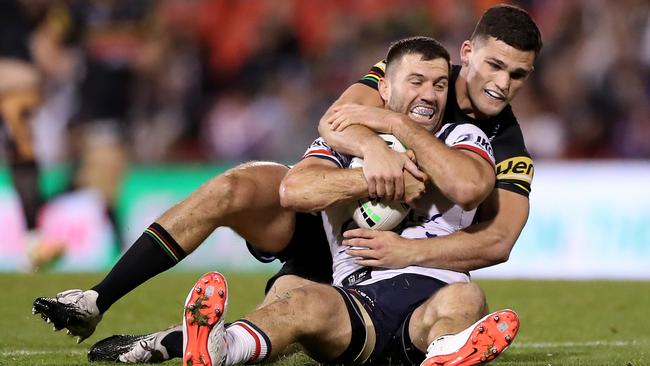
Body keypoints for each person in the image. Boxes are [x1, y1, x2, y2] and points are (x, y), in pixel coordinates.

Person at [33, 3, 541, 363]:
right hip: (332, 213)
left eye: (519, 75)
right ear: (468, 52)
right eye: (495, 65)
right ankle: (97, 298)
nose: (502, 83)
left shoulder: (501, 140)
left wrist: (402, 248)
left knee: (301, 313)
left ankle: (175, 344)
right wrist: (373, 161)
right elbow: (334, 122)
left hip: (378, 253)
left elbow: (496, 239)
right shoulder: (418, 70)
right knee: (236, 186)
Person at [181, 36, 516, 366]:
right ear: (384, 88)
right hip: (358, 299)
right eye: (416, 81)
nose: (429, 95)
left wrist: (399, 125)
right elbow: (295, 190)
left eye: (440, 85)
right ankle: (222, 349)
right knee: (300, 299)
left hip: (435, 291)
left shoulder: (461, 137)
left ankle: (444, 352)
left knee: (468, 298)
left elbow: (470, 187)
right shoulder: (346, 136)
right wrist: (372, 176)